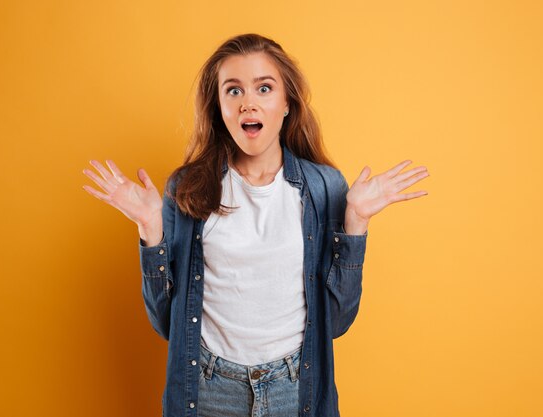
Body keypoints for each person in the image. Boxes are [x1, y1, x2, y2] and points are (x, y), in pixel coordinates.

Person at [82, 33, 429, 417]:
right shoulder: (188, 190)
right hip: (209, 389)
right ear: (218, 107)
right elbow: (167, 323)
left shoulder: (324, 188)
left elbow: (336, 321)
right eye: (233, 91)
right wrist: (151, 229)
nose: (248, 102)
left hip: (295, 388)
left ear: (285, 104)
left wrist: (356, 222)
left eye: (264, 88)